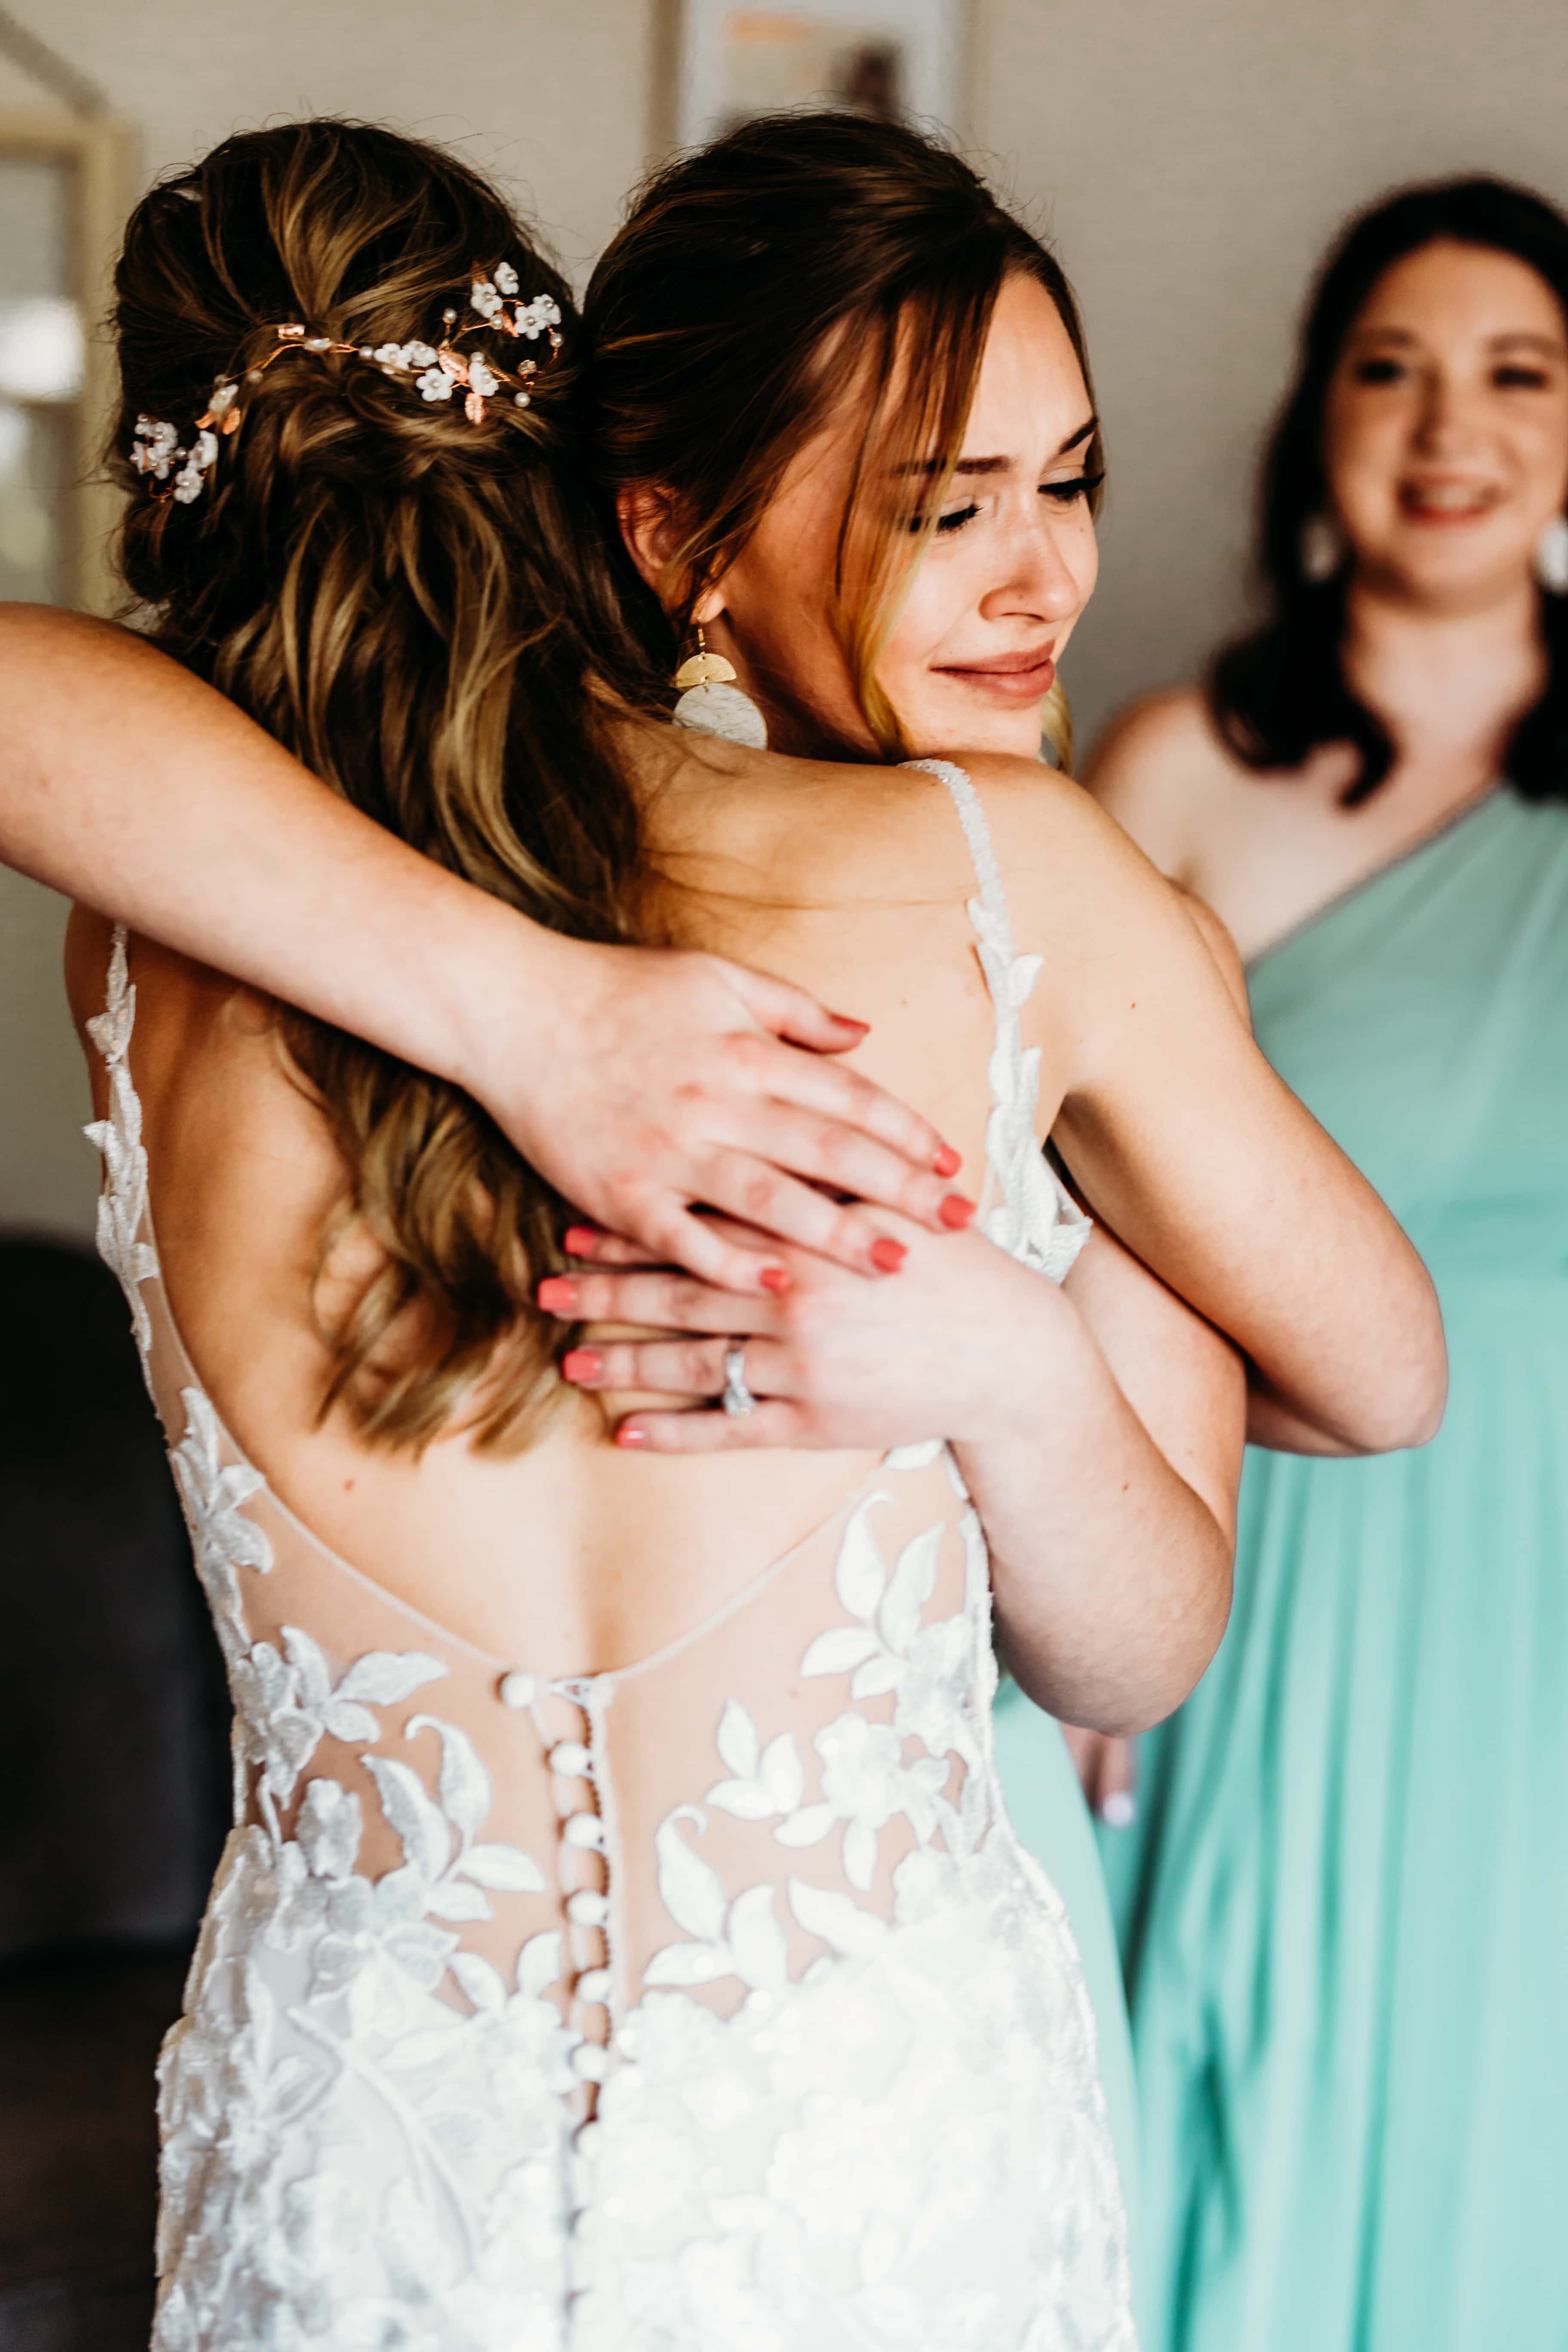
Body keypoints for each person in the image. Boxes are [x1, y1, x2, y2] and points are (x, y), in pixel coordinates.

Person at [36, 113, 1438, 2345]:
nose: (1041, 575)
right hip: (876, 2173)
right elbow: (1350, 1406)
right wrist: (540, 1020)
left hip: (361, 2196)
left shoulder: (149, 940)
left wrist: (1005, 1360)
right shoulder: (1014, 895)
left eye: (1069, 485)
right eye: (947, 505)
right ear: (638, 517)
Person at [1083, 175, 1568, 2352]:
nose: (1450, 425)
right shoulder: (1185, 768)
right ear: (1318, 421)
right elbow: (1068, 1196)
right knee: (1253, 2045)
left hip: (1546, 1558)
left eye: (1517, 373)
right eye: (1393, 369)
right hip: (1282, 1524)